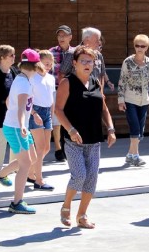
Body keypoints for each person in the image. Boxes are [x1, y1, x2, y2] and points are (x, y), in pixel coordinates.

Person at [56, 46, 116, 229]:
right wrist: (71, 130)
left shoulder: (96, 82)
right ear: (75, 63)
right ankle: (66, 206)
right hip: (74, 140)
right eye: (83, 61)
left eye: (90, 61)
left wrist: (111, 129)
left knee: (91, 178)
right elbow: (57, 110)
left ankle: (82, 215)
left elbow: (104, 108)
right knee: (79, 175)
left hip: (94, 139)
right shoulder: (67, 83)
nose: (87, 64)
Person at [0, 49, 43, 214]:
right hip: (17, 128)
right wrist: (22, 125)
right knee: (25, 164)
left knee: (31, 158)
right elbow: (19, 108)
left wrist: (32, 114)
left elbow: (9, 102)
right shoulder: (24, 83)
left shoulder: (20, 79)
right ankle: (16, 202)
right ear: (34, 66)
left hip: (17, 126)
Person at [118, 34, 149, 166]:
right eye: (137, 45)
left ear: (147, 47)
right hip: (130, 99)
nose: (139, 48)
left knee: (140, 130)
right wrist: (120, 100)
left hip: (144, 100)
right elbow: (122, 81)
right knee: (135, 127)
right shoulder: (127, 62)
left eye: (142, 46)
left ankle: (130, 154)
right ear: (134, 46)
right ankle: (135, 155)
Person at [26, 50, 55, 190]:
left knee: (46, 148)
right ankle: (39, 180)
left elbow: (51, 97)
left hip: (47, 112)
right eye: (46, 63)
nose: (49, 65)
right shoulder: (33, 77)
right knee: (40, 147)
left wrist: (52, 113)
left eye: (51, 63)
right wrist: (33, 113)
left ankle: (30, 172)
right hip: (36, 111)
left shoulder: (51, 78)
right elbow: (27, 98)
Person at [49, 25, 73, 162]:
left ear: (70, 37)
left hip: (71, 91)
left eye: (64, 35)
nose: (61, 38)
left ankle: (68, 147)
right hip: (56, 89)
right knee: (57, 119)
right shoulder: (51, 52)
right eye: (59, 35)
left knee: (69, 118)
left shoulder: (76, 52)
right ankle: (58, 149)